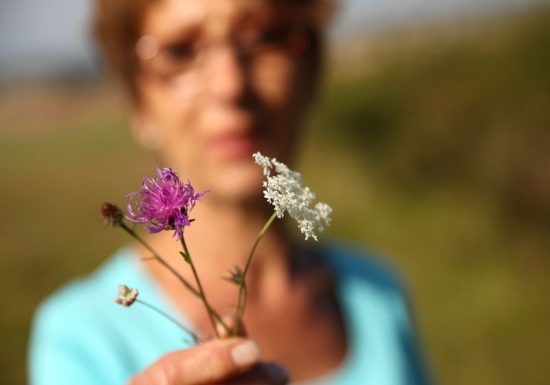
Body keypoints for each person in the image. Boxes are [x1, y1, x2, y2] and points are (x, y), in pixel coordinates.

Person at [29, 0, 432, 384]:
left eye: (266, 37)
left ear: (312, 72)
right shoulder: (80, 338)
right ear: (138, 100)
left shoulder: (379, 294)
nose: (230, 85)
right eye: (180, 51)